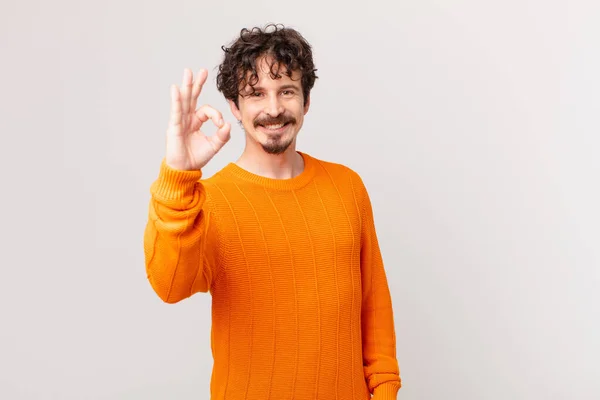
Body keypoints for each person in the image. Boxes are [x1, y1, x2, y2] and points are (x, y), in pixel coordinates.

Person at [143, 23, 401, 399]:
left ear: (306, 101)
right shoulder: (208, 201)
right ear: (235, 106)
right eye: (256, 94)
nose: (274, 109)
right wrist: (178, 175)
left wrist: (385, 390)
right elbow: (170, 285)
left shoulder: (348, 188)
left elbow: (374, 306)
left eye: (287, 91)